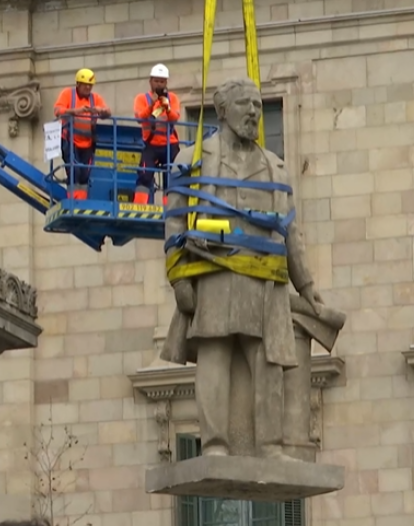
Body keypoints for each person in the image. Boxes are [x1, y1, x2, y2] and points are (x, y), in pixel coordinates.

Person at [162, 78, 323, 461]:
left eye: (257, 104)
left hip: (265, 280)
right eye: (244, 104)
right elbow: (173, 224)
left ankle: (270, 445)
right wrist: (179, 279)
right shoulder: (193, 160)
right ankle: (215, 444)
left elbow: (290, 231)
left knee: (269, 362)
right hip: (214, 274)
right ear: (222, 111)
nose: (253, 111)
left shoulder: (276, 168)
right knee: (214, 354)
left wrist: (307, 284)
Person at [52, 68, 111, 200]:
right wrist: (75, 111)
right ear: (78, 84)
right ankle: (74, 202)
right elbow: (57, 110)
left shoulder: (95, 98)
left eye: (90, 85)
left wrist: (100, 110)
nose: (88, 88)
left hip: (88, 142)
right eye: (86, 85)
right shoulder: (68, 94)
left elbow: (108, 112)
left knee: (85, 174)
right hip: (70, 141)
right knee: (74, 172)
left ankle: (81, 202)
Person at [133, 63, 182, 205]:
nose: (159, 84)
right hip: (151, 144)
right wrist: (151, 105)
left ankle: (169, 208)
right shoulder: (142, 99)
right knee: (144, 175)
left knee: (172, 176)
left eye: (162, 81)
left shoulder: (172, 98)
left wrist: (166, 107)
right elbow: (139, 118)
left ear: (166, 82)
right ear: (150, 81)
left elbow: (175, 118)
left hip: (170, 144)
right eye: (156, 81)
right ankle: (139, 207)